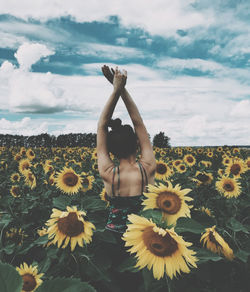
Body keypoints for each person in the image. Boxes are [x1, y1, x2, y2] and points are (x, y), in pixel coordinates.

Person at [96, 65, 156, 291]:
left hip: (113, 239)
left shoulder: (108, 173)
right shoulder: (148, 167)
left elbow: (102, 126)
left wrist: (114, 91)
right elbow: (138, 122)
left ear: (111, 150)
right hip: (144, 238)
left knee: (118, 284)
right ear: (137, 144)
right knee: (143, 283)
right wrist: (122, 89)